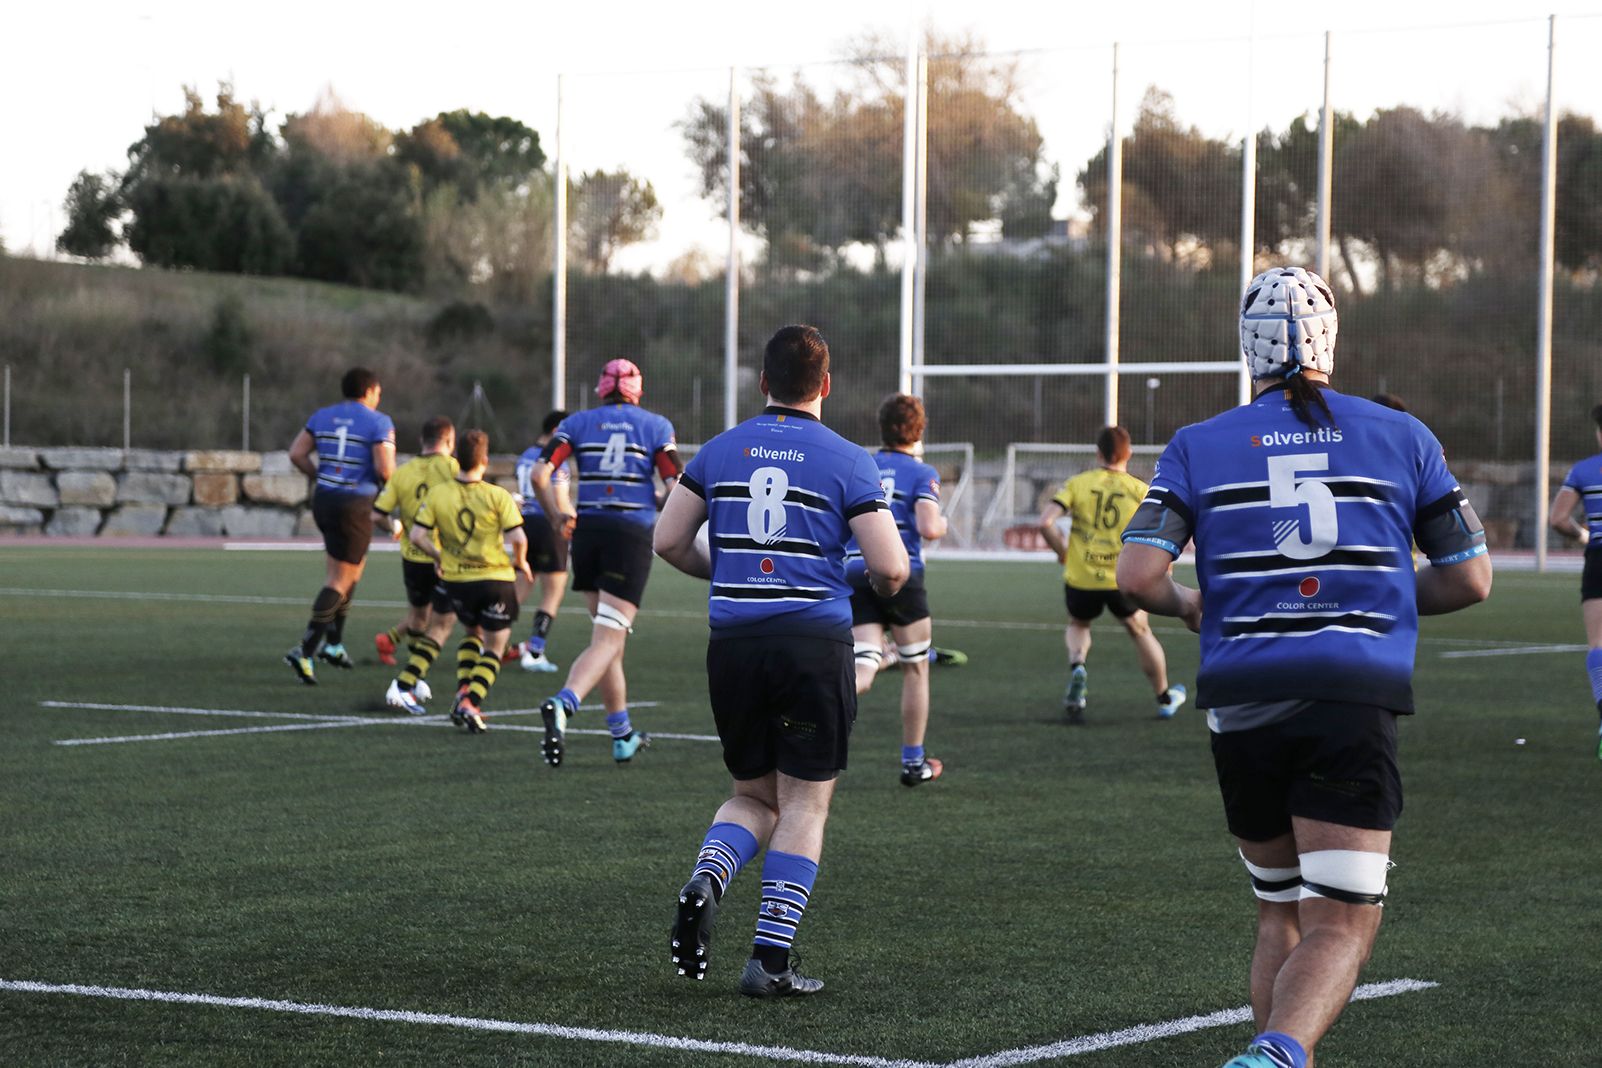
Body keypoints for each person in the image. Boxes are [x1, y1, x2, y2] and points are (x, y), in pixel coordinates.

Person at [1117, 266, 1491, 1068]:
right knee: (1343, 921)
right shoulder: (1403, 435)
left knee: (1278, 912)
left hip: (1241, 700)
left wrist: (1188, 606)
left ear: (1245, 348)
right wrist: (1382, 593)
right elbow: (1470, 575)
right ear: (1332, 340)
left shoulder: (1197, 443)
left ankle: (1279, 1053)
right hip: (1348, 695)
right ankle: (1278, 1052)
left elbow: (1138, 577)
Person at [654, 324, 909, 998]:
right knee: (804, 802)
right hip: (809, 648)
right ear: (826, 385)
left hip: (734, 647)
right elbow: (889, 566)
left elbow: (669, 541)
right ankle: (770, 961)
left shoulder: (717, 450)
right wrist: (872, 587)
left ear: (762, 382)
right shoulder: (850, 459)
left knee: (752, 796)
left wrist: (731, 573)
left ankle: (709, 875)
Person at [529, 358, 681, 765]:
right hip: (628, 535)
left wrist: (556, 515)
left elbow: (539, 477)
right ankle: (564, 703)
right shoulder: (655, 425)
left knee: (608, 638)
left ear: (601, 387)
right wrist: (656, 503)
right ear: (637, 388)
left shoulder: (576, 423)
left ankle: (622, 735)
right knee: (608, 639)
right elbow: (675, 486)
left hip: (588, 533)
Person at [384, 429, 532, 730]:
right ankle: (470, 701)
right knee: (494, 646)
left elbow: (417, 535)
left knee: (459, 632)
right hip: (495, 580)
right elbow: (518, 537)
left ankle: (437, 689)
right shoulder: (497, 495)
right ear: (485, 460)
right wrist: (521, 562)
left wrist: (439, 557)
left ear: (457, 458)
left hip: (456, 581)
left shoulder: (439, 494)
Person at [1039, 425, 1186, 725]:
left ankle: (1078, 666)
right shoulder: (1139, 489)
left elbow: (1046, 522)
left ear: (1098, 453)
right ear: (1128, 453)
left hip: (1081, 577)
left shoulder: (1078, 483)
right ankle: (1163, 697)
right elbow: (1160, 533)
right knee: (1140, 631)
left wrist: (1062, 551)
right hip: (1122, 578)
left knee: (1079, 623)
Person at [846, 393, 947, 787]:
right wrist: (942, 520)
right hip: (901, 573)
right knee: (915, 667)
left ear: (882, 427)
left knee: (865, 665)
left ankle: (809, 713)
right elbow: (928, 527)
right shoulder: (923, 474)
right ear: (918, 430)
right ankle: (913, 762)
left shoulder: (861, 466)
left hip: (855, 571)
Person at [284, 367, 396, 684]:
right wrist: (392, 502)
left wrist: (319, 476)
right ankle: (305, 650)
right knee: (339, 579)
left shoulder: (322, 415)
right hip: (354, 505)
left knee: (349, 573)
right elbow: (386, 470)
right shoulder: (379, 422)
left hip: (325, 499)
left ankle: (333, 644)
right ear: (371, 391)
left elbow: (297, 453)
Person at [373, 417, 458, 698]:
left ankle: (414, 672)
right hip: (444, 557)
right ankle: (420, 676)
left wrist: (394, 526)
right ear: (448, 441)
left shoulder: (402, 472)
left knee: (420, 616)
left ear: (423, 440)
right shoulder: (453, 468)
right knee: (452, 618)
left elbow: (378, 514)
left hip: (412, 555)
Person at [1547, 403, 1602, 761]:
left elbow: (1558, 519)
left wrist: (1583, 537)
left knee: (1599, 643)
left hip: (1599, 558)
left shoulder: (1584, 470)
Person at [508, 409, 572, 674]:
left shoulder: (524, 456)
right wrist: (572, 521)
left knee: (518, 590)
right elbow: (560, 501)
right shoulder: (556, 460)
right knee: (553, 592)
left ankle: (488, 643)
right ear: (557, 431)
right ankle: (535, 652)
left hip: (524, 525)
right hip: (548, 525)